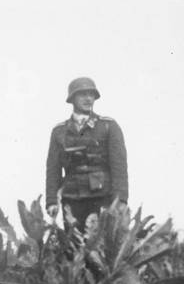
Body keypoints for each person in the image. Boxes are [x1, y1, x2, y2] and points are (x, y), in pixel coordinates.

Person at [45, 77, 128, 230]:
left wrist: (120, 200)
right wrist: (51, 201)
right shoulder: (59, 131)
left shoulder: (108, 126)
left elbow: (119, 167)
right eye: (82, 94)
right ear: (72, 98)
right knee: (73, 247)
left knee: (101, 246)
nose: (88, 98)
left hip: (102, 197)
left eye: (91, 94)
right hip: (71, 199)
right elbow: (53, 169)